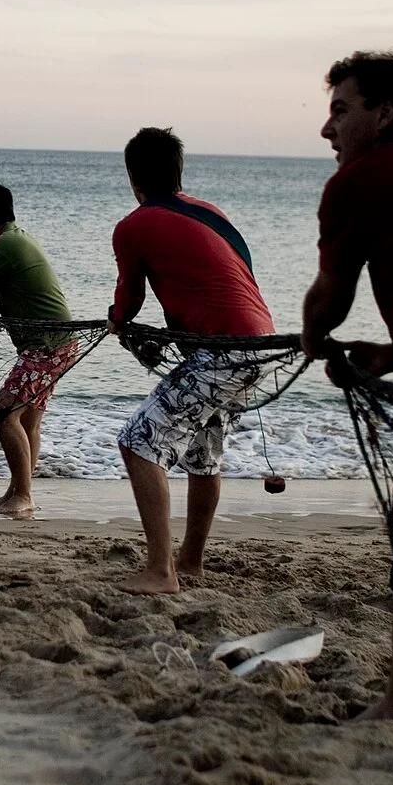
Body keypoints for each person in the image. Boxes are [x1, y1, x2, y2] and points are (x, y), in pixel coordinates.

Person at [301, 51, 393, 720]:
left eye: (339, 111)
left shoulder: (365, 179)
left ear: (385, 112)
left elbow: (329, 300)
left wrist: (313, 339)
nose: (328, 132)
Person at [110, 127, 275, 595]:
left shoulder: (134, 225)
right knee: (202, 454)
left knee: (139, 442)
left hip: (223, 351)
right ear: (178, 171)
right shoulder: (210, 212)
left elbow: (129, 302)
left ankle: (160, 572)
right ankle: (191, 562)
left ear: (133, 178)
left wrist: (118, 322)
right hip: (260, 345)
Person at [0, 184, 73, 516]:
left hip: (46, 346)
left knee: (4, 411)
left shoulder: (0, 246)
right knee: (27, 420)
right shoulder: (20, 237)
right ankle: (16, 493)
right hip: (60, 342)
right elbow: (26, 289)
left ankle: (23, 496)